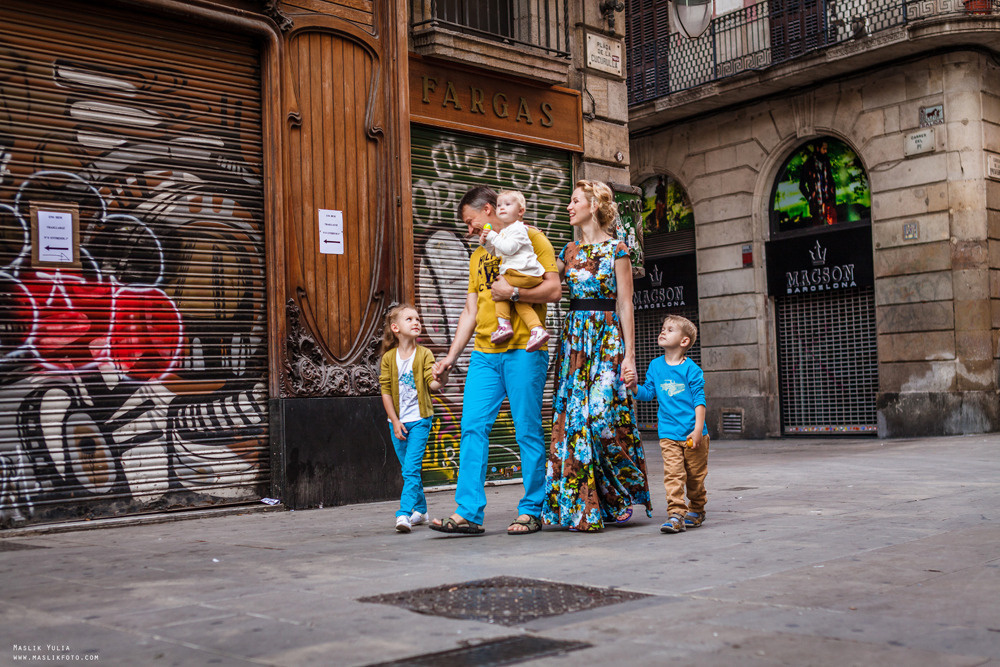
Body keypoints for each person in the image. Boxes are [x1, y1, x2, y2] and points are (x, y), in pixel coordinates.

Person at [429, 185, 561, 536]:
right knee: (472, 427)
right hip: (485, 354)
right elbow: (470, 310)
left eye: (470, 221)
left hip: (524, 351)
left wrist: (514, 292)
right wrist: (450, 359)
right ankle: (468, 512)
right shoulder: (478, 256)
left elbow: (554, 288)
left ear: (489, 210)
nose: (468, 230)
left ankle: (533, 509)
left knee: (527, 431)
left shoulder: (532, 237)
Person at [543, 180, 652, 532]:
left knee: (604, 417)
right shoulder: (568, 252)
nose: (569, 207)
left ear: (593, 205)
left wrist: (630, 356)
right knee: (576, 421)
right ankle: (582, 505)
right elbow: (547, 286)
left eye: (575, 201)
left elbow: (625, 303)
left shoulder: (617, 250)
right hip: (575, 340)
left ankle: (618, 493)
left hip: (606, 338)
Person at [630, 314, 709, 534]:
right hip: (668, 433)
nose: (663, 331)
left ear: (684, 341)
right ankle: (676, 515)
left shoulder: (691, 370)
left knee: (695, 477)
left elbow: (699, 401)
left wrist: (698, 431)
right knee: (673, 475)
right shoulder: (655, 366)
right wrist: (635, 386)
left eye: (670, 329)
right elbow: (647, 393)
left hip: (693, 433)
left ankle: (697, 508)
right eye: (663, 328)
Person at [378, 304, 447, 533]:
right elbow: (386, 391)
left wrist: (442, 376)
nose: (416, 322)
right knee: (409, 469)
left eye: (418, 319)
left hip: (420, 420)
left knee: (410, 469)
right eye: (410, 319)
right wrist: (395, 421)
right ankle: (422, 510)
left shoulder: (424, 354)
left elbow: (433, 384)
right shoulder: (389, 358)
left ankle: (404, 514)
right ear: (396, 327)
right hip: (397, 423)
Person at [480, 189, 550, 352]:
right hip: (522, 274)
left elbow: (509, 248)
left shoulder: (519, 228)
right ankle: (537, 330)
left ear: (520, 211)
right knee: (521, 304)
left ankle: (504, 325)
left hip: (524, 273)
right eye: (499, 205)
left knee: (498, 290)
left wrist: (491, 235)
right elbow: (498, 252)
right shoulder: (505, 231)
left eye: (508, 204)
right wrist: (485, 243)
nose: (502, 208)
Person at [799, 141, 838, 226]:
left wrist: (833, 196)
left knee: (833, 225)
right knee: (818, 227)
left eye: (826, 149)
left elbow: (831, 181)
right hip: (816, 204)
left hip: (829, 201)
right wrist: (810, 197)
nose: (825, 151)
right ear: (817, 148)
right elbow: (801, 186)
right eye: (824, 149)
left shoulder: (826, 162)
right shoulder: (808, 164)